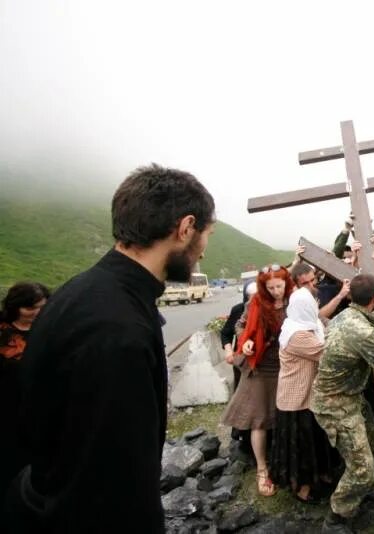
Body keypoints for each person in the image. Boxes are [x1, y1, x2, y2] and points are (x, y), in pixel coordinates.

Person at [2, 164, 215, 532]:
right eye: (206, 235)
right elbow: (117, 484)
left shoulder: (82, 291)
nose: (203, 253)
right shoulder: (119, 332)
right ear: (185, 228)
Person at [311, 274, 374, 534]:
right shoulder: (362, 331)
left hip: (348, 396)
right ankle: (336, 519)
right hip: (335, 404)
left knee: (373, 438)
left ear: (351, 296)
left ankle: (362, 490)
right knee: (363, 469)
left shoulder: (345, 315)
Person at [221, 265, 293, 498]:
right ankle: (262, 469)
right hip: (261, 367)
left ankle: (285, 464)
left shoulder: (295, 301)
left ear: (286, 283)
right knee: (258, 421)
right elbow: (240, 325)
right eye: (270, 287)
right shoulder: (256, 303)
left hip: (288, 368)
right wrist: (246, 340)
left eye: (279, 286)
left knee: (286, 418)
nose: (275, 291)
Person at [270, 287, 337, 503]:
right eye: (313, 304)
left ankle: (321, 477)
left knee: (316, 440)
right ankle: (302, 488)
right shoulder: (297, 334)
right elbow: (327, 352)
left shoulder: (301, 324)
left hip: (308, 396)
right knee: (302, 446)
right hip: (296, 399)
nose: (316, 307)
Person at [0, 282, 50, 500]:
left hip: (39, 409)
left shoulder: (50, 329)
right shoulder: (2, 332)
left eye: (42, 307)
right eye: (30, 307)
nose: (36, 313)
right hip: (6, 409)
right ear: (16, 306)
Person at [221, 281, 258, 460]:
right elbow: (226, 332)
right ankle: (243, 437)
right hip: (242, 363)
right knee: (242, 400)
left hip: (261, 365)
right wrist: (229, 351)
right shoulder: (239, 310)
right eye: (252, 298)